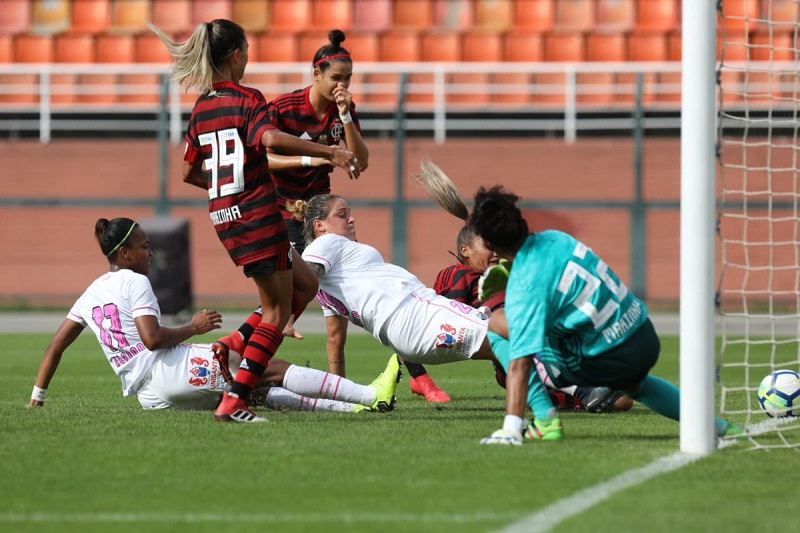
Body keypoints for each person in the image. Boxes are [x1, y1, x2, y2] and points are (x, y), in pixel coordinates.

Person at [149, 19, 358, 422]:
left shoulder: (201, 108)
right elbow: (268, 139)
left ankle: (231, 343)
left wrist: (229, 186)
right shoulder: (247, 98)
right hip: (258, 214)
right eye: (246, 52)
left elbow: (190, 173)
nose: (248, 59)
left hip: (226, 216)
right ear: (235, 56)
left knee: (307, 284)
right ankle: (236, 399)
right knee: (277, 313)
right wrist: (328, 153)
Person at [27, 218, 400, 416]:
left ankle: (349, 408)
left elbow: (55, 346)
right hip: (167, 371)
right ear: (124, 254)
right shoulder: (135, 283)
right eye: (144, 247)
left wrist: (37, 398)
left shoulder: (92, 291)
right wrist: (195, 327)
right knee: (265, 365)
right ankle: (370, 393)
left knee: (256, 392)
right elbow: (152, 339)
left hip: (150, 397)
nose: (150, 253)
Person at [466, 186, 741, 445]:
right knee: (637, 386)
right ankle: (719, 426)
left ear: (490, 243)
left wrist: (512, 427)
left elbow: (520, 362)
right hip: (643, 335)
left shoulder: (525, 282)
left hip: (606, 356)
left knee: (495, 326)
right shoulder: (558, 238)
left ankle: (545, 422)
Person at [419, 159, 631, 413]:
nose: (496, 252)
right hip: (517, 350)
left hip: (534, 347)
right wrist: (422, 379)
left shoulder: (505, 271)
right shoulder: (456, 275)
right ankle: (581, 392)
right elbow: (432, 320)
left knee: (622, 399)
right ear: (465, 250)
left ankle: (581, 391)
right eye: (489, 246)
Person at [292, 195, 501, 377]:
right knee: (512, 336)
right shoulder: (327, 242)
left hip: (406, 332)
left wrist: (342, 393)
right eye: (342, 214)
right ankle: (525, 413)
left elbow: (335, 340)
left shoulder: (331, 283)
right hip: (416, 314)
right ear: (320, 226)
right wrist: (288, 313)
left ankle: (525, 403)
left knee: (505, 347)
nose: (351, 218)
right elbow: (306, 278)